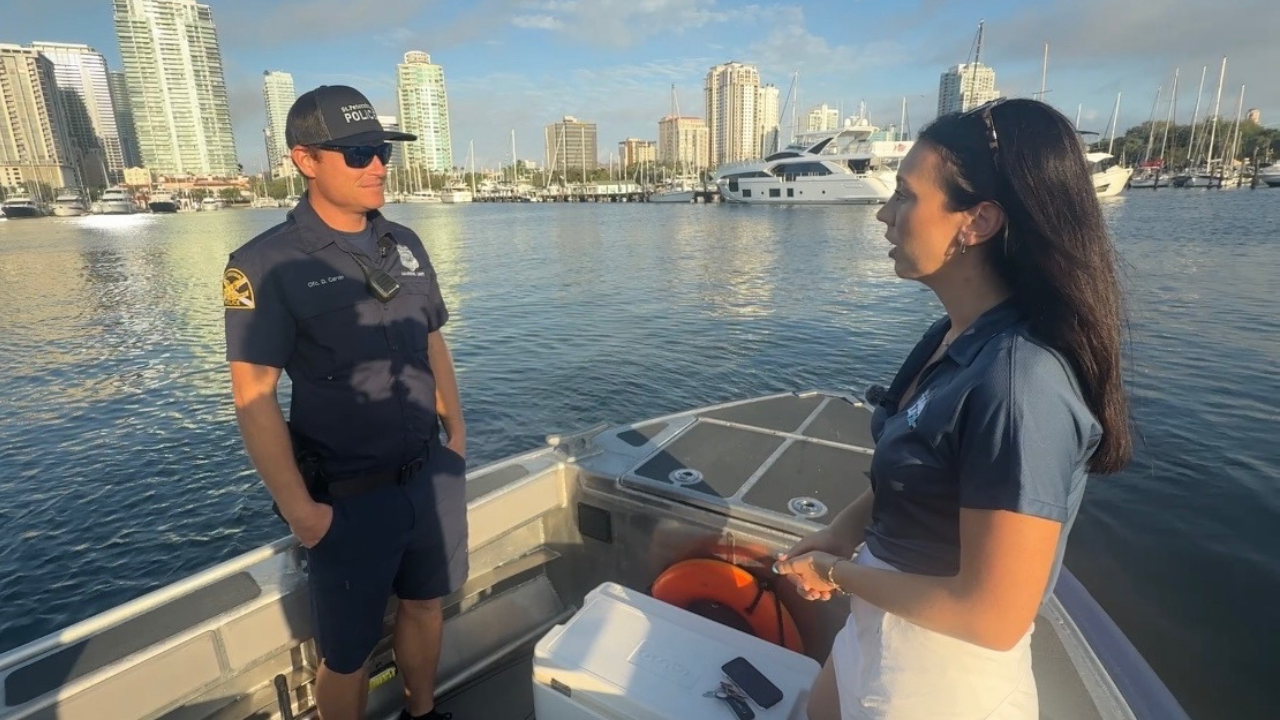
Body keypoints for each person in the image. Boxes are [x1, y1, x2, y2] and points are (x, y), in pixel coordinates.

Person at [774, 98, 1132, 719]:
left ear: (978, 221)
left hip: (938, 682)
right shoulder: (955, 338)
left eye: (906, 197)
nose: (883, 215)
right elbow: (915, 466)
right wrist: (843, 531)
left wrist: (836, 571)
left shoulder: (1021, 384)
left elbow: (990, 615)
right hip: (879, 636)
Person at [224, 85, 467, 720]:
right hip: (346, 500)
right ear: (305, 160)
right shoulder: (265, 265)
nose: (379, 166)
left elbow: (433, 342)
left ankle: (423, 712)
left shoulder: (405, 242)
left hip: (427, 478)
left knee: (424, 606)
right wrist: (301, 512)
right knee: (348, 654)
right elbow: (252, 396)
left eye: (382, 151)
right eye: (358, 153)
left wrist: (457, 441)